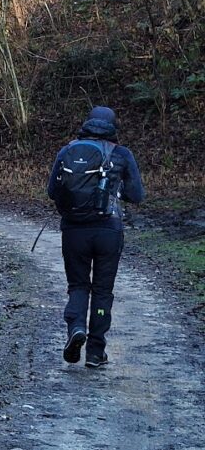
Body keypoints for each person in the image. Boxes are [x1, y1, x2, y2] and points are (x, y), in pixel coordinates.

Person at [47, 106, 144, 368]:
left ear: (87, 123)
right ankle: (95, 352)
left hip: (74, 230)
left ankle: (76, 327)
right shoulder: (122, 154)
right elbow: (137, 195)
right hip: (108, 230)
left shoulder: (68, 150)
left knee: (78, 286)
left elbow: (52, 190)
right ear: (114, 126)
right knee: (102, 291)